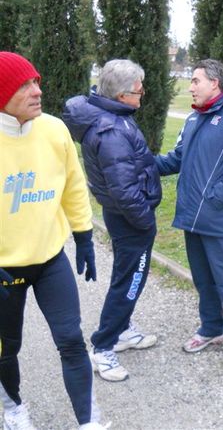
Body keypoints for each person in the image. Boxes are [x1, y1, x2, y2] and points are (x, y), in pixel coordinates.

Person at [0, 52, 107, 429]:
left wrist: (83, 236)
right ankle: (12, 409)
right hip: (4, 269)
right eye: (24, 85)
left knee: (71, 340)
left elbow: (74, 187)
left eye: (36, 82)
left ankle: (89, 421)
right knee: (4, 349)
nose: (36, 91)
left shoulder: (53, 129)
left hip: (49, 259)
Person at [155, 59, 223, 368]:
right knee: (203, 279)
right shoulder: (192, 120)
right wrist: (143, 161)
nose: (191, 87)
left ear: (215, 83)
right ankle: (212, 328)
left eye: (196, 81)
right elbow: (176, 159)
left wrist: (214, 198)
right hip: (192, 217)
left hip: (217, 218)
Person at [62, 59, 162, 382]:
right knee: (129, 282)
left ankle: (122, 329)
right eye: (138, 90)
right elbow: (123, 189)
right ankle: (103, 346)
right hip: (131, 220)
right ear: (121, 95)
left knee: (127, 276)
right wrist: (145, 221)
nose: (142, 93)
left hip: (125, 218)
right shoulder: (111, 130)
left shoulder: (117, 117)